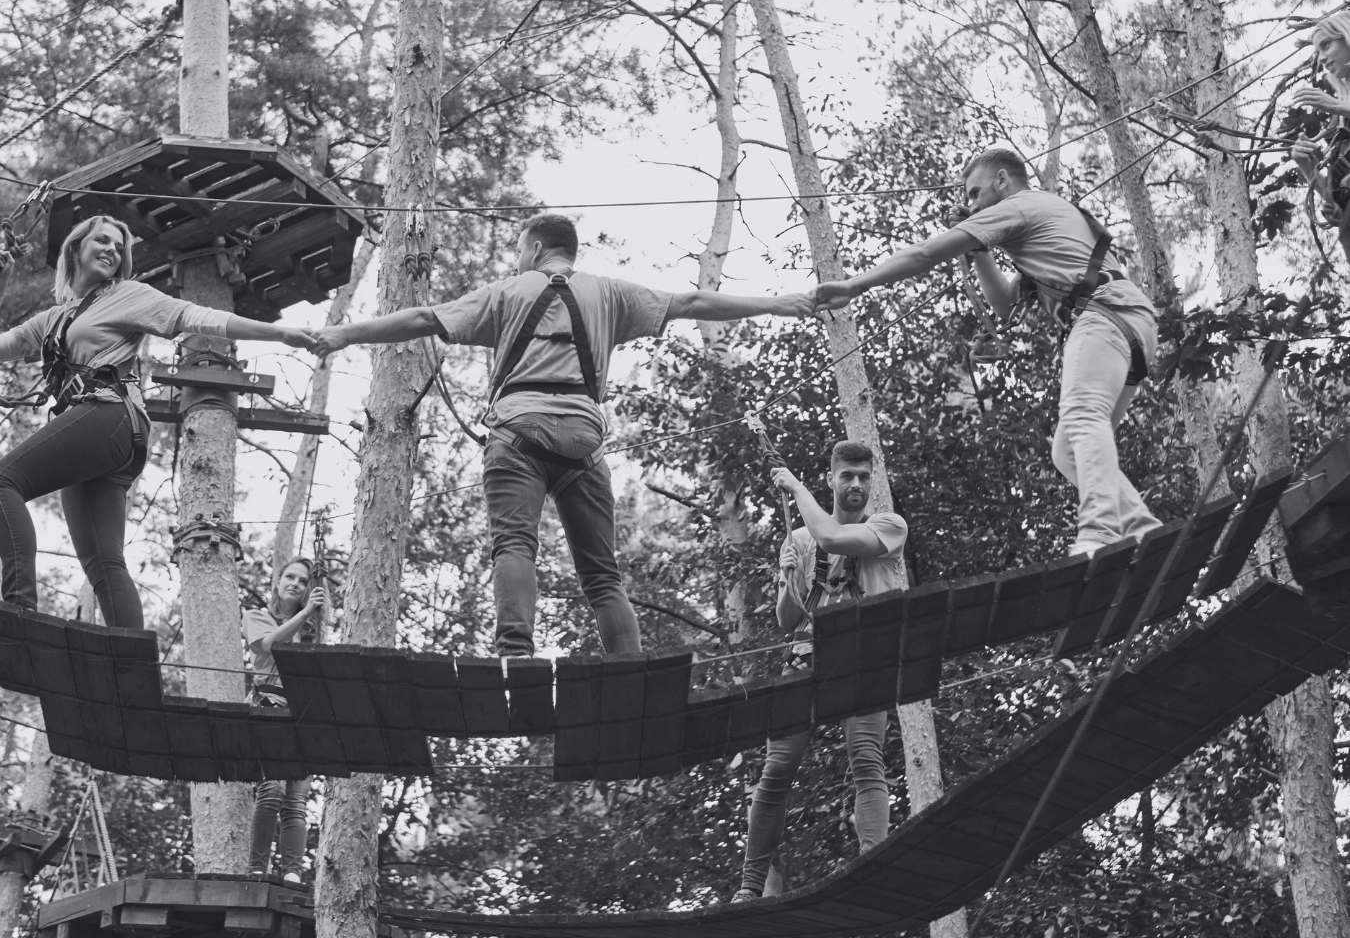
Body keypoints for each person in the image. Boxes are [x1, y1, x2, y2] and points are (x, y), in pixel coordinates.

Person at [310, 213, 814, 657]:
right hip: (583, 440)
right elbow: (690, 301)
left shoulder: (508, 291)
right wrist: (774, 303)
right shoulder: (610, 292)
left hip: (517, 430)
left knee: (514, 545)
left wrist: (343, 334)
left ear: (534, 248)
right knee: (602, 574)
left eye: (519, 251)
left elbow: (423, 319)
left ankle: (516, 656)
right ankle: (629, 668)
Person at [813, 148, 1160, 557]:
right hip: (1128, 321)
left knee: (1084, 417)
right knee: (1068, 450)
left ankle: (1100, 532)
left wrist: (855, 285)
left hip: (1104, 314)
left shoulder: (1020, 205)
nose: (972, 204)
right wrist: (979, 253)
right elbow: (1003, 304)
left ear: (1002, 180)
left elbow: (925, 254)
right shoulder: (1042, 224)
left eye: (976, 193)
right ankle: (1141, 526)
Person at [0, 215, 313, 629]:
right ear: (76, 248)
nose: (113, 249)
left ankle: (17, 611)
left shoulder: (126, 295)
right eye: (103, 240)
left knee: (4, 481)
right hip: (101, 433)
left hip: (108, 416)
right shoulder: (52, 320)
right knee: (103, 561)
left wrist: (277, 334)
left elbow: (193, 316)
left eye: (119, 246)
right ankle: (132, 671)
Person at [731, 440, 905, 902]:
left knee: (866, 760)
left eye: (864, 477)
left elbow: (833, 539)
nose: (856, 485)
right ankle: (750, 887)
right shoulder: (800, 539)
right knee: (777, 769)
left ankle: (872, 870)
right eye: (847, 476)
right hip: (807, 656)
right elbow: (787, 619)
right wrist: (788, 576)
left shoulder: (889, 527)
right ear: (832, 479)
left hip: (863, 659)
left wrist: (793, 484)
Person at [244, 558, 326, 883]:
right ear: (277, 582)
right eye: (289, 577)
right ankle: (256, 869)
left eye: (303, 581)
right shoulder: (256, 616)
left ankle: (292, 873)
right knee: (273, 790)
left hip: (302, 718)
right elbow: (269, 644)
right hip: (268, 710)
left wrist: (311, 616)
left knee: (296, 801)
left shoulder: (310, 632)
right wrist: (306, 613)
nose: (295, 583)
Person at [1289, 11, 1350, 264]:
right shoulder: (1341, 122)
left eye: (1327, 45)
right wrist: (1307, 164)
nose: (1322, 58)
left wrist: (1338, 107)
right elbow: (1333, 195)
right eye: (1318, 51)